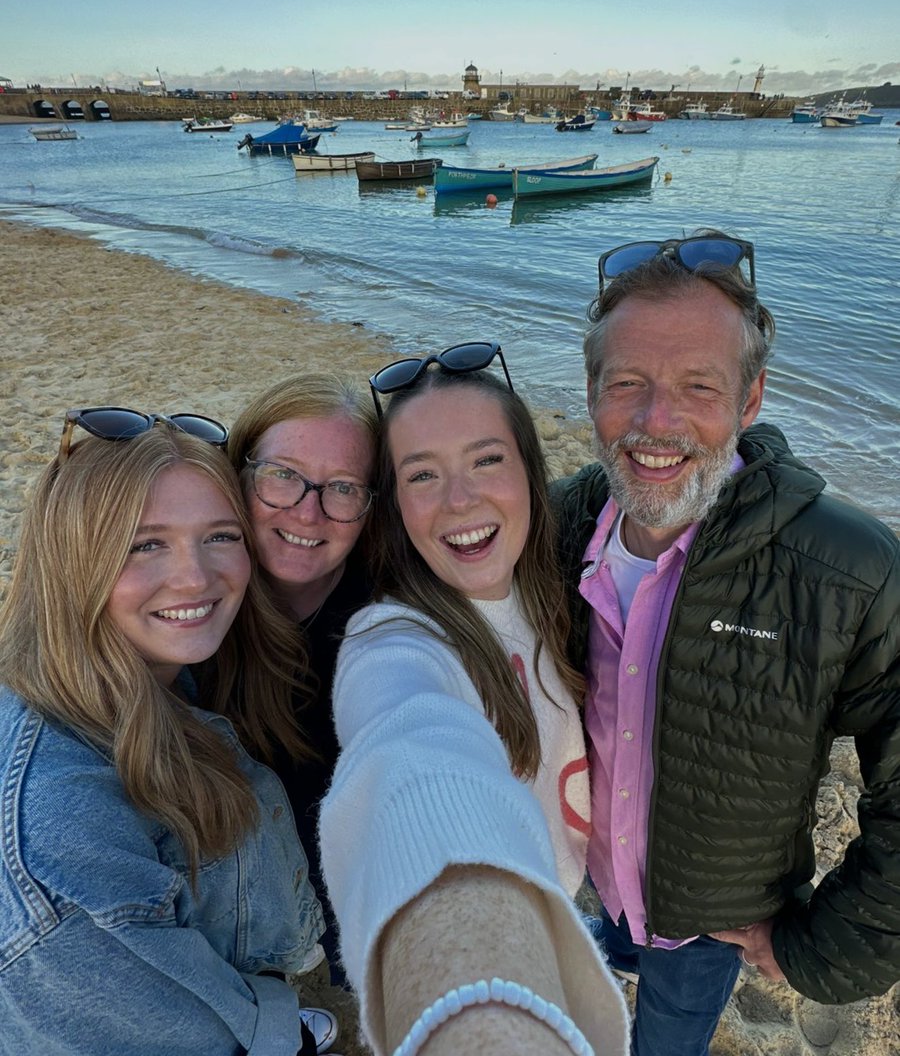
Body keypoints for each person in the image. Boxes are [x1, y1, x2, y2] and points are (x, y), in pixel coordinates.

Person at [550, 234, 900, 1056]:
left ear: (750, 400)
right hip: (595, 878)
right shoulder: (558, 525)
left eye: (698, 386)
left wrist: (825, 944)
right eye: (626, 383)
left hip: (714, 922)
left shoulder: (847, 569)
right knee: (606, 960)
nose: (656, 421)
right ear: (592, 393)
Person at [320, 344, 629, 1056]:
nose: (459, 500)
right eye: (421, 475)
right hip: (522, 907)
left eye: (486, 460)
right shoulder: (392, 639)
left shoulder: (552, 586)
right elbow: (408, 752)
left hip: (565, 885)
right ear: (395, 505)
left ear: (530, 473)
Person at [0, 410, 333, 1056]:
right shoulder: (57, 827)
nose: (195, 578)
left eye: (220, 536)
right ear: (73, 561)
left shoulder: (162, 673)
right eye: (145, 544)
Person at [212, 374, 377, 981]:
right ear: (239, 474)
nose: (308, 512)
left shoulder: (385, 625)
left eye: (343, 488)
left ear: (370, 507)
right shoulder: (188, 605)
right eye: (283, 475)